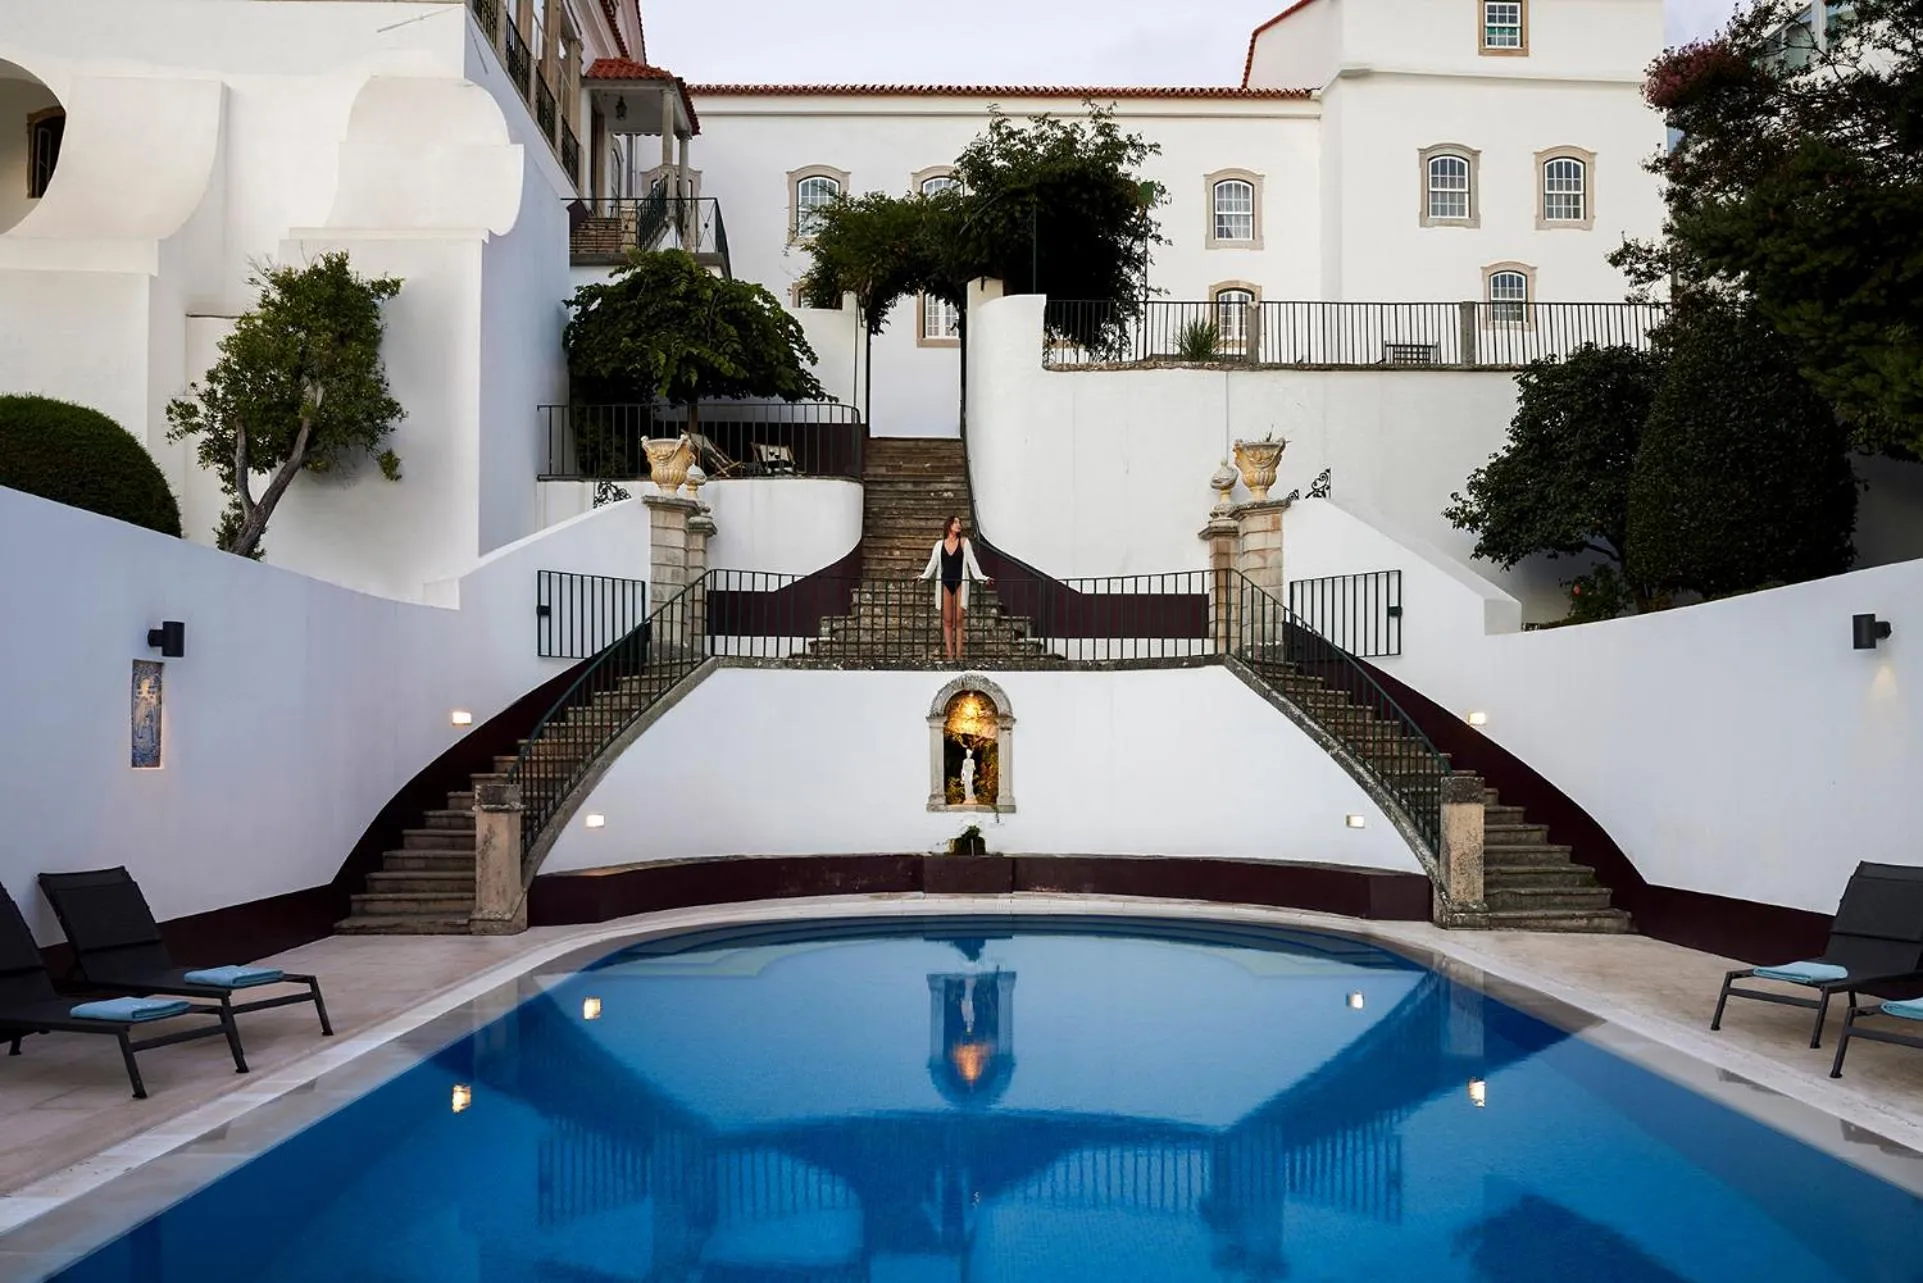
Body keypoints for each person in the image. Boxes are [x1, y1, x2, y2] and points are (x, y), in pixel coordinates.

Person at [920, 516, 990, 662]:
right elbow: (932, 564)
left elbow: (973, 564)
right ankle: (950, 655)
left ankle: (959, 655)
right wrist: (924, 576)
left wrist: (982, 578)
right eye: (956, 522)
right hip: (945, 583)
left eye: (960, 523)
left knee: (958, 620)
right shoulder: (939, 545)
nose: (959, 525)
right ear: (949, 525)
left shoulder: (964, 543)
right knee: (947, 620)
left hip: (960, 583)